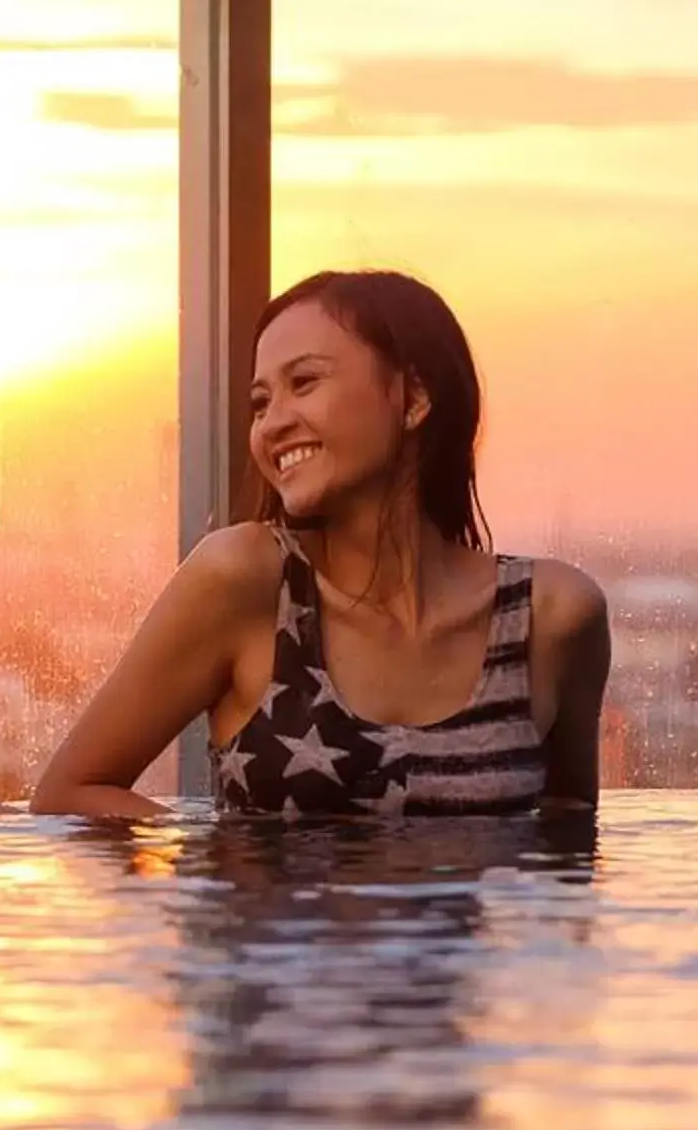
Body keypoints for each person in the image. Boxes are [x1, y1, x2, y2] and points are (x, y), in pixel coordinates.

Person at [34, 270, 611, 820]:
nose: (272, 424)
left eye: (304, 383)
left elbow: (565, 840)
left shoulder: (552, 617)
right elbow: (71, 792)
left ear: (413, 398)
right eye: (261, 403)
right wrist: (222, 866)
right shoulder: (246, 580)